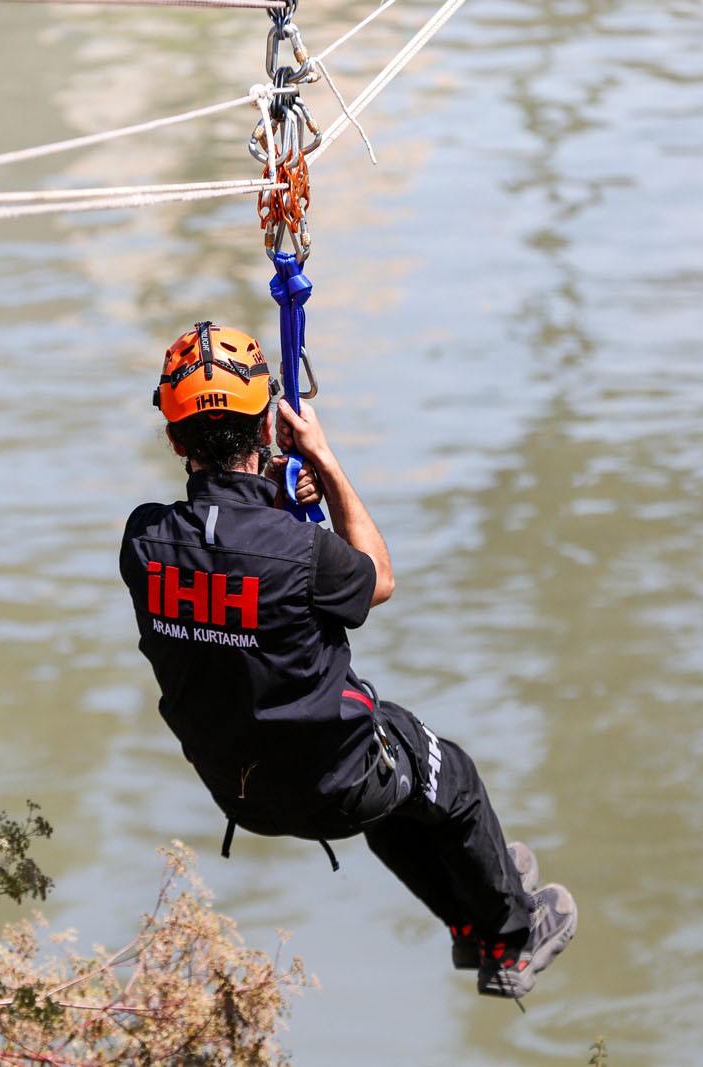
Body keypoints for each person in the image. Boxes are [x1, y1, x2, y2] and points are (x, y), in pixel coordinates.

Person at [118, 321, 577, 998]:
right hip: (336, 776)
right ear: (269, 427)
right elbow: (377, 578)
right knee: (453, 779)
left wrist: (273, 495)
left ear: (174, 440)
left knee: (397, 801)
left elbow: (226, 553)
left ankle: (469, 917)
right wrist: (323, 461)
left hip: (241, 790)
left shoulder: (144, 541)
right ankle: (510, 939)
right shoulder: (299, 552)